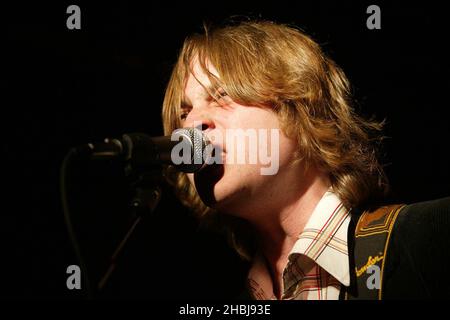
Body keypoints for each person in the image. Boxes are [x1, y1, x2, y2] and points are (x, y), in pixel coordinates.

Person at [160, 20, 450, 300]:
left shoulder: (430, 239)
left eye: (222, 95)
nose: (192, 123)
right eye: (184, 113)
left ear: (300, 106)